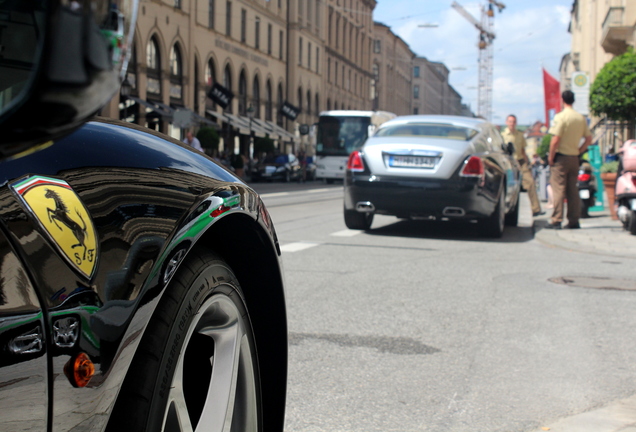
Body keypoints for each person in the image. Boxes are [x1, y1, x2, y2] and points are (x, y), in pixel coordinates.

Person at [545, 90, 592, 229]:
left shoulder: (561, 117)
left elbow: (555, 139)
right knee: (573, 189)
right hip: (574, 157)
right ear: (574, 100)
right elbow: (589, 138)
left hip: (561, 157)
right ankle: (573, 220)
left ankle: (556, 219)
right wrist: (579, 150)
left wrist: (551, 157)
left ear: (562, 100)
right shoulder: (580, 118)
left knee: (559, 188)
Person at [502, 114, 544, 217]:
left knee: (530, 182)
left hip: (520, 161)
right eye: (510, 121)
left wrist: (528, 163)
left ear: (516, 123)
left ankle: (536, 209)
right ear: (507, 122)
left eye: (514, 122)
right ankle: (504, 209)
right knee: (508, 185)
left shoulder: (520, 135)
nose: (512, 124)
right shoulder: (503, 135)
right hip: (509, 162)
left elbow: (523, 151)